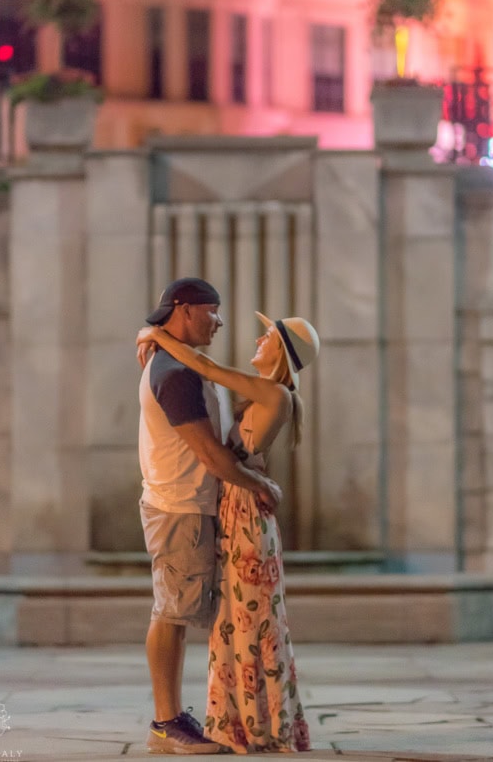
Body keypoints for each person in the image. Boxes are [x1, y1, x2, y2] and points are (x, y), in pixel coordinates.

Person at [137, 309, 320, 754]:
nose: (258, 339)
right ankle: (247, 721)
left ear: (282, 351)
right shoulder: (264, 394)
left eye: (268, 337)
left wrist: (155, 334)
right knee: (240, 623)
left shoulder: (274, 392)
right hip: (235, 508)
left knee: (249, 622)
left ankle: (255, 724)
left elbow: (208, 368)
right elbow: (210, 403)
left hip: (244, 512)